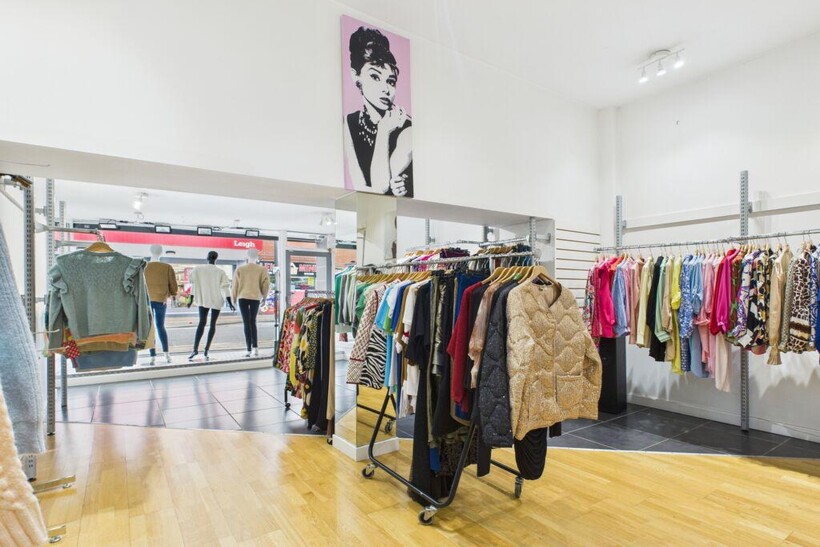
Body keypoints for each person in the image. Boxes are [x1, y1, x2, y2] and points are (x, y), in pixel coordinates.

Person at [344, 26, 413, 197]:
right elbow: (360, 187)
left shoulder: (407, 128)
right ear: (355, 76)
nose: (385, 89)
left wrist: (383, 130)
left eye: (391, 81)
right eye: (375, 77)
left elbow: (379, 189)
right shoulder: (350, 122)